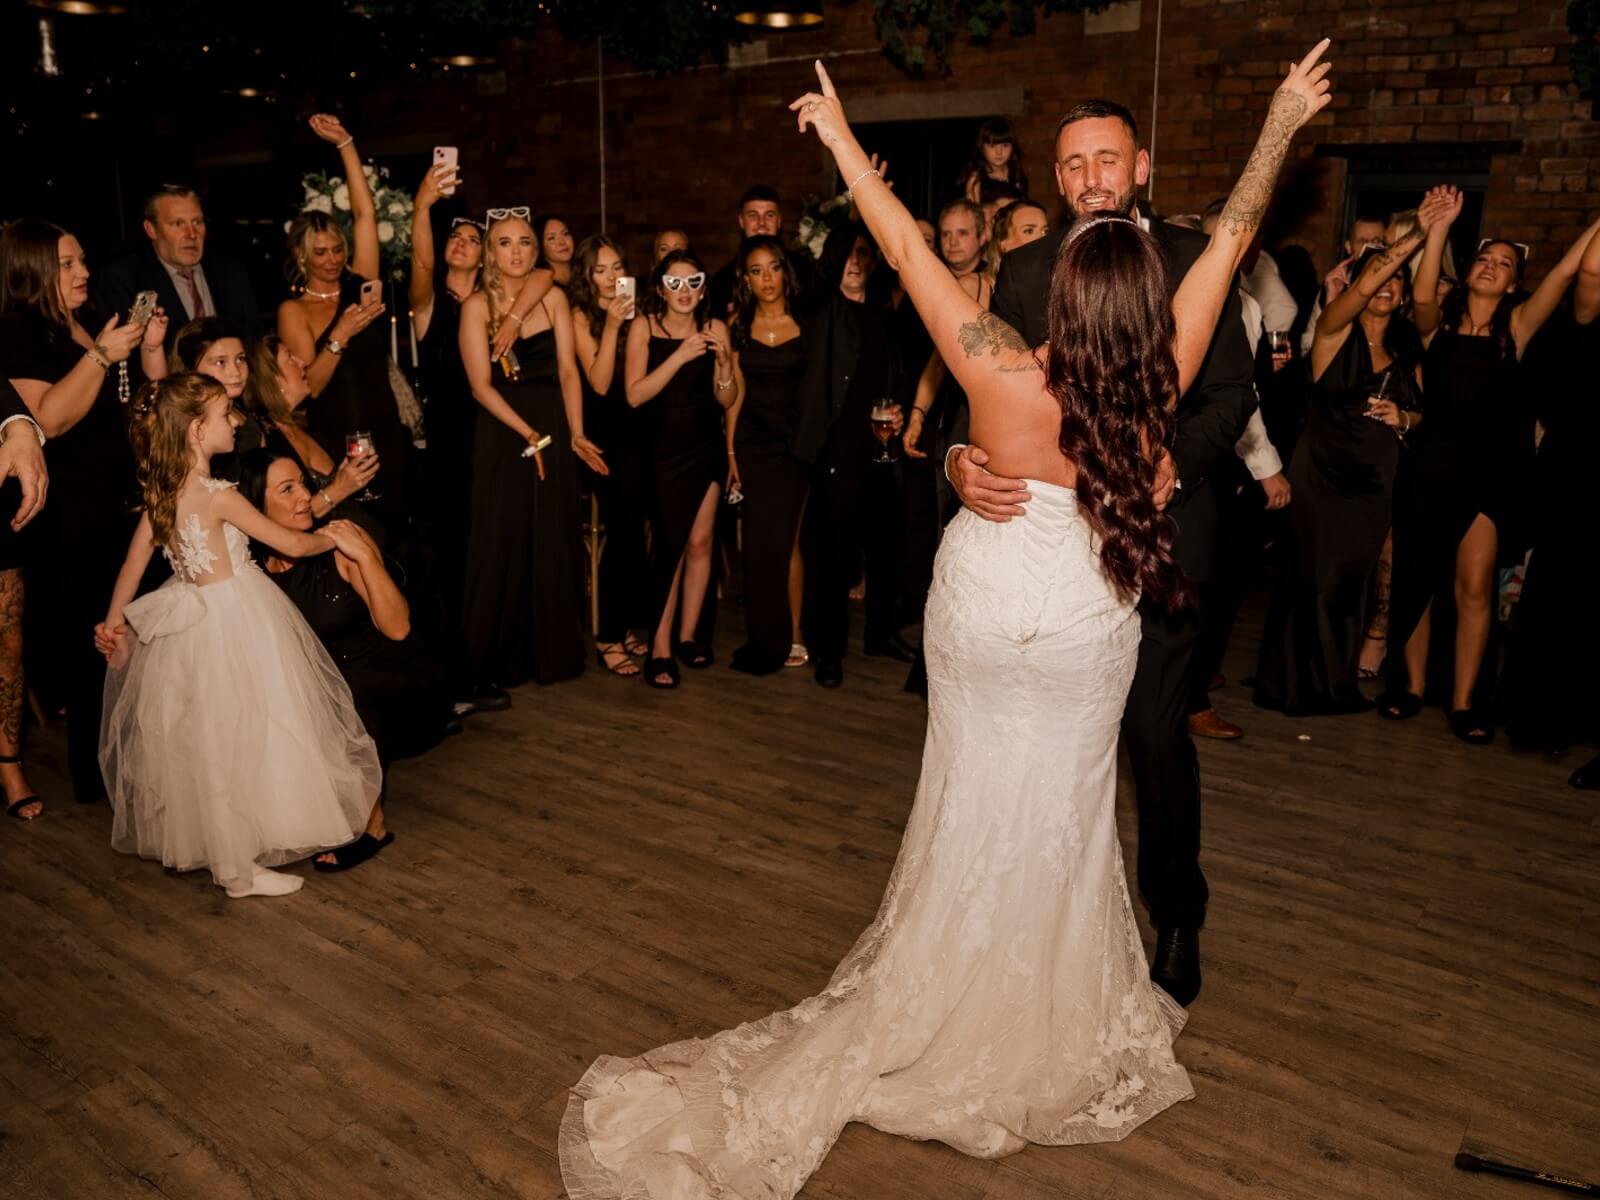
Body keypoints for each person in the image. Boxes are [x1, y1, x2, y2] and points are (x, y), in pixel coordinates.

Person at [560, 49, 1331, 1199]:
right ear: (1145, 304)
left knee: (967, 796)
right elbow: (1231, 234)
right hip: (1079, 615)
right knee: (1064, 815)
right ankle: (1033, 1002)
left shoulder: (1000, 370)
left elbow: (913, 252)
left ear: (1064, 297)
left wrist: (834, 139)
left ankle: (937, 982)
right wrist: (1278, 119)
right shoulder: (1162, 363)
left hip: (977, 608)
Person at [949, 94, 1264, 1005]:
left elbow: (1232, 392)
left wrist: (1177, 460)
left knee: (1156, 731)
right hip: (1049, 546)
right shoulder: (1022, 273)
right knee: (1044, 737)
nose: (1092, 177)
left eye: (1108, 160)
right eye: (1075, 164)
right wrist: (957, 462)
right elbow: (981, 397)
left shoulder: (1189, 257)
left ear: (1141, 167)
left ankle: (1175, 917)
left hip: (1159, 537)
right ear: (1057, 179)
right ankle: (1032, 920)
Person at [95, 373, 379, 899]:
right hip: (235, 623)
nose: (237, 421)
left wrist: (113, 622)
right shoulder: (217, 494)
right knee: (254, 732)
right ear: (197, 431)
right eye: (227, 413)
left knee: (210, 745)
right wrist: (334, 538)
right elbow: (287, 541)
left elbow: (134, 563)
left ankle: (232, 862)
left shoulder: (165, 489)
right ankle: (239, 869)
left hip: (188, 629)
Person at [1378, 194, 1600, 742]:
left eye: (1504, 264)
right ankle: (1409, 687)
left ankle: (1463, 703)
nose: (1492, 267)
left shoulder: (1519, 326)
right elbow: (1425, 289)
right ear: (1470, 270)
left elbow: (1571, 269)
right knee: (1419, 580)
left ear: (1511, 284)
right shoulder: (1436, 326)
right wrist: (1440, 229)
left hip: (1489, 473)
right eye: (1484, 259)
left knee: (1474, 586)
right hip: (1430, 466)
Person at [1253, 199, 1449, 716]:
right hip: (1322, 471)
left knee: (1352, 585)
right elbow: (1362, 286)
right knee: (1314, 577)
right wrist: (1418, 236)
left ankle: (1336, 683)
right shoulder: (1336, 328)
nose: (1386, 287)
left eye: (1396, 282)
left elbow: (1425, 415)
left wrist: (1403, 419)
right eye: (1379, 278)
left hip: (1377, 478)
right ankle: (1295, 685)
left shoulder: (1409, 347)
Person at [0, 217, 166, 809]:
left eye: (81, 260)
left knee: (138, 631)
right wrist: (99, 355)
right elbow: (47, 420)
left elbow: (135, 408)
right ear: (32, 268)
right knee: (91, 643)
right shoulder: (17, 330)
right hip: (71, 513)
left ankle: (151, 758)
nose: (84, 272)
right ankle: (104, 777)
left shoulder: (93, 320)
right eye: (68, 263)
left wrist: (146, 353)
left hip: (120, 499)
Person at [238, 450, 452, 870]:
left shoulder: (340, 541)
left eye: (302, 482)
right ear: (256, 508)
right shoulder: (255, 572)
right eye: (287, 489)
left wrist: (368, 557)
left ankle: (373, 824)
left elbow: (398, 628)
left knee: (345, 690)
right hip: (328, 691)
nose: (305, 496)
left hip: (401, 681)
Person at [458, 210, 599, 689]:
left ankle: (552, 653)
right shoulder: (476, 307)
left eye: (523, 242)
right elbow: (479, 386)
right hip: (503, 432)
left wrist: (576, 432)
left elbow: (567, 371)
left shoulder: (554, 298)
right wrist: (526, 434)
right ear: (490, 252)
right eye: (503, 243)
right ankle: (497, 659)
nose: (515, 251)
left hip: (553, 428)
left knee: (552, 532)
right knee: (504, 535)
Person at [276, 114, 408, 517]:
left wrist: (346, 143)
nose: (332, 260)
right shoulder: (293, 310)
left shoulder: (359, 285)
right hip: (333, 438)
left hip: (386, 431)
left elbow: (367, 217)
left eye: (337, 249)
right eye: (320, 252)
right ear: (301, 255)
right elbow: (311, 386)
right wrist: (341, 334)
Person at [625, 251, 735, 687]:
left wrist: (724, 364)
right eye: (675, 284)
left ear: (704, 287)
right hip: (662, 452)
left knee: (701, 542)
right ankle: (660, 645)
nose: (684, 292)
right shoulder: (644, 328)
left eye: (693, 283)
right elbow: (634, 395)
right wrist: (681, 355)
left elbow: (726, 400)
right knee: (669, 547)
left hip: (705, 446)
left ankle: (689, 636)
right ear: (661, 289)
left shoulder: (717, 329)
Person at [726, 235, 811, 675]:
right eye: (756, 271)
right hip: (754, 446)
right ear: (746, 279)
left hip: (794, 448)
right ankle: (763, 636)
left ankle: (794, 633)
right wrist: (730, 452)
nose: (766, 279)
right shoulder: (738, 326)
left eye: (773, 268)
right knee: (757, 547)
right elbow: (734, 395)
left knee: (788, 543)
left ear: (785, 270)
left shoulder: (807, 322)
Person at [569, 234, 650, 676]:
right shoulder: (580, 315)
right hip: (601, 438)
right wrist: (615, 325)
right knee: (620, 531)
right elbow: (599, 384)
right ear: (586, 275)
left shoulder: (639, 309)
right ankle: (606, 636)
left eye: (616, 266)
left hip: (637, 430)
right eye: (599, 269)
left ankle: (628, 622)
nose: (609, 277)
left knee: (637, 531)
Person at [91, 183, 262, 345]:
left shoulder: (230, 272)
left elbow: (253, 339)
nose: (191, 234)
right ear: (151, 229)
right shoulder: (123, 279)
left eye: (197, 222)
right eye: (178, 224)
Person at [708, 185, 785, 318]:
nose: (762, 224)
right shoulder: (723, 280)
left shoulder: (803, 270)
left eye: (769, 215)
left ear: (779, 221)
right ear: (741, 221)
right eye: (753, 216)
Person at [959, 116, 1029, 203]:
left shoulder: (1016, 175)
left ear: (1013, 147)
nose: (999, 152)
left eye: (1005, 146)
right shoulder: (976, 177)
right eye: (992, 146)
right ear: (982, 147)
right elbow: (973, 213)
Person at [535, 214, 577, 288]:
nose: (562, 242)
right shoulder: (543, 287)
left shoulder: (584, 276)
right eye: (551, 238)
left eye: (565, 234)